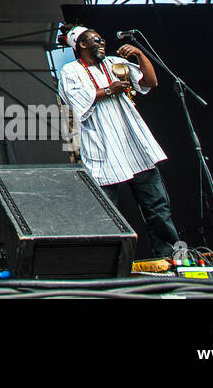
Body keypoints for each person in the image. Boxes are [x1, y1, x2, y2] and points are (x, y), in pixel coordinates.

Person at [57, 24, 182, 258]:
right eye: (96, 40)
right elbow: (76, 100)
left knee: (157, 206)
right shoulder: (70, 71)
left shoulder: (115, 63)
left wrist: (140, 55)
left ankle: (169, 256)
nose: (102, 42)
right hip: (102, 146)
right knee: (107, 212)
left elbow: (150, 82)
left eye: (102, 39)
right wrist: (109, 90)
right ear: (82, 45)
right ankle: (110, 263)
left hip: (133, 142)